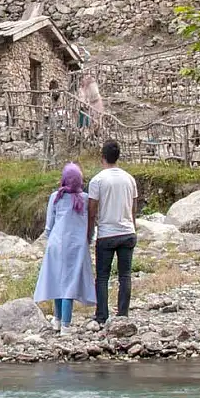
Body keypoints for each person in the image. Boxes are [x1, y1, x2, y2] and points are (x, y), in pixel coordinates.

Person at [34, 163, 96, 331]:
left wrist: (50, 239)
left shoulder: (56, 196)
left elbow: (49, 225)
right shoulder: (85, 198)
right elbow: (90, 222)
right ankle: (66, 326)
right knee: (69, 283)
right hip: (76, 246)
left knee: (57, 280)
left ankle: (57, 319)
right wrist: (89, 239)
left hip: (56, 243)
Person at [88, 140, 138, 326]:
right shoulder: (129, 179)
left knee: (102, 276)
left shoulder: (98, 180)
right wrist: (133, 227)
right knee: (125, 275)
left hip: (107, 233)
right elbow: (133, 207)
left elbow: (92, 210)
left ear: (103, 158)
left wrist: (89, 232)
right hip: (127, 232)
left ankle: (102, 315)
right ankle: (123, 314)